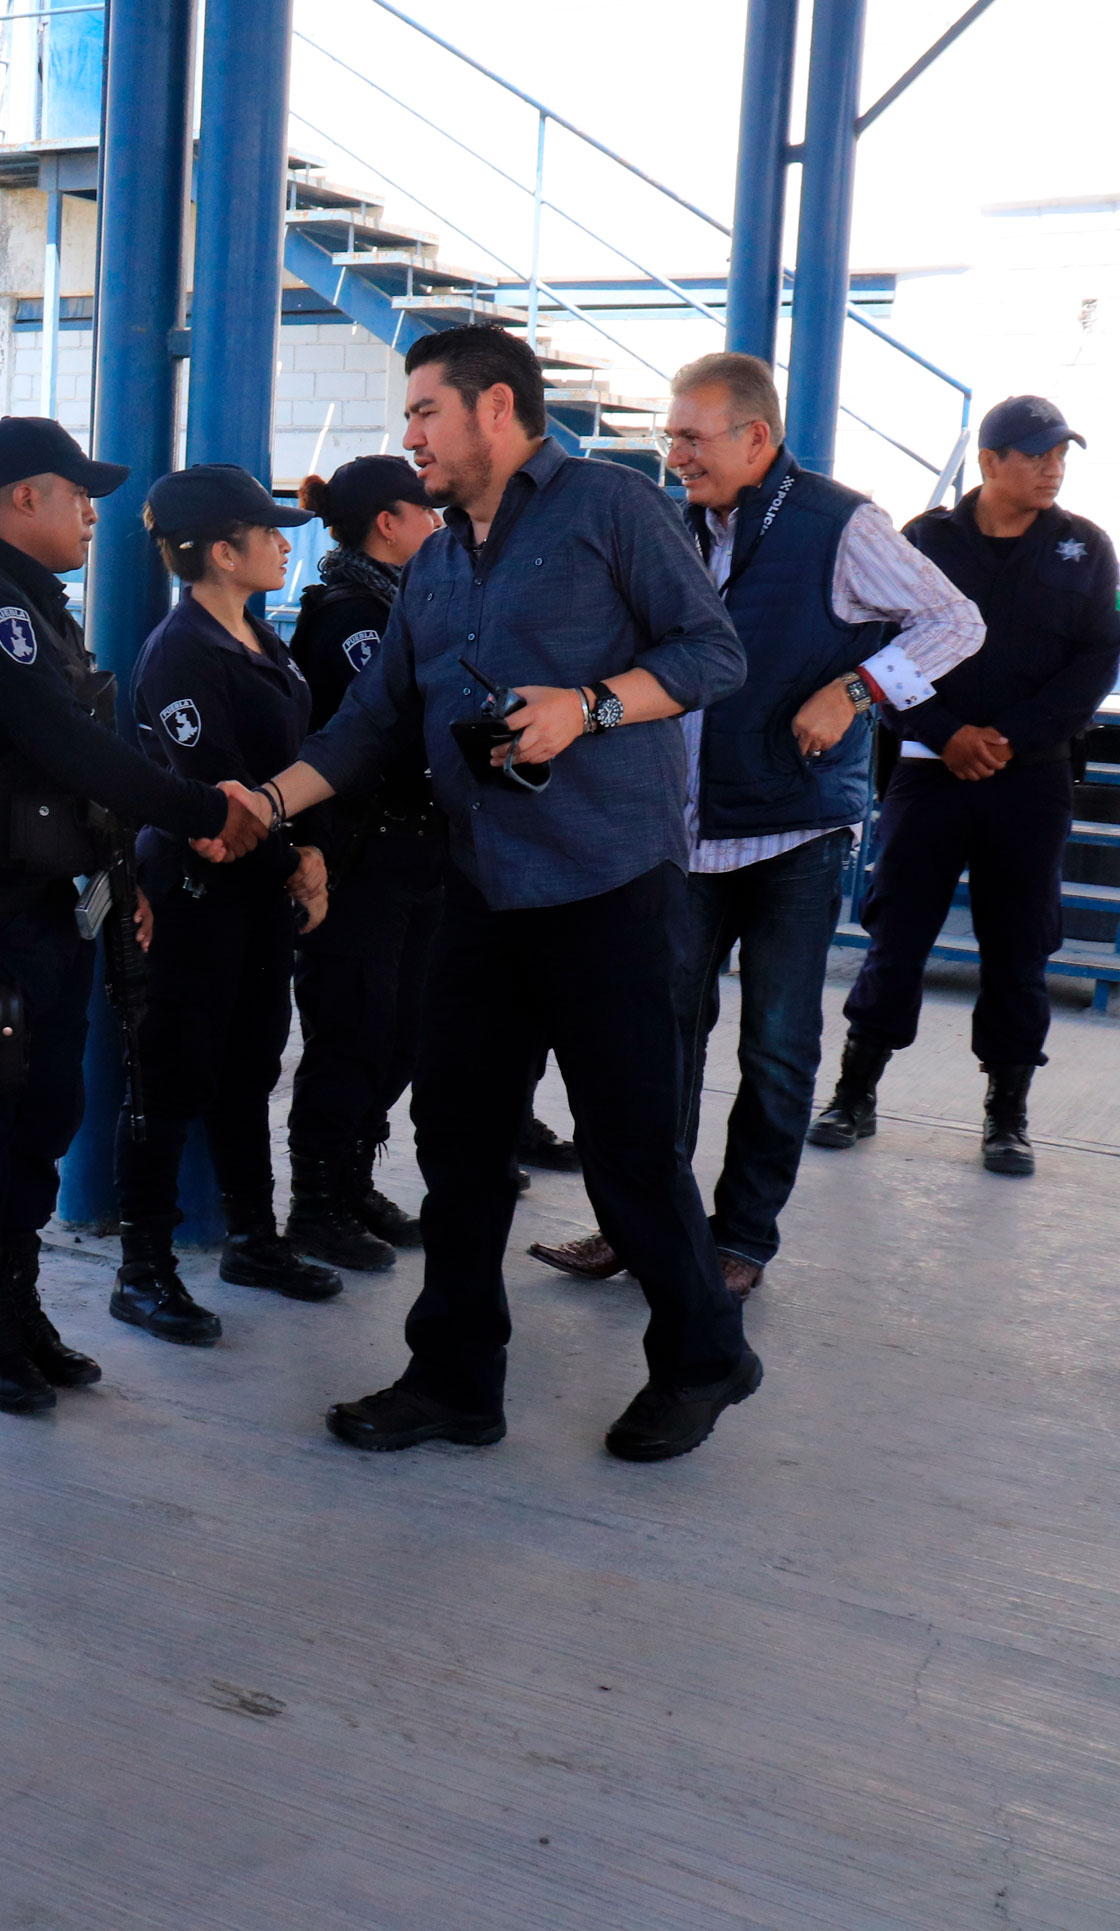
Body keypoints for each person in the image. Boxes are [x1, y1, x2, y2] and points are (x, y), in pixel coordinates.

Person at [243, 324, 763, 1463]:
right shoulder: (431, 563)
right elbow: (372, 719)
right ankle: (454, 1380)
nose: (408, 433)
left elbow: (711, 652)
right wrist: (267, 802)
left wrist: (592, 704)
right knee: (457, 1141)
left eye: (424, 409)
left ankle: (702, 1354)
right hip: (481, 887)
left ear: (494, 409)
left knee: (629, 1152)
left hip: (606, 885)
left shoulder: (610, 508)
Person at [529, 352, 982, 1294]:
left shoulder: (839, 523)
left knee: (776, 1048)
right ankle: (643, 1228)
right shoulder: (667, 522)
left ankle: (740, 1242)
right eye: (671, 435)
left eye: (692, 437)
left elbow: (955, 621)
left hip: (791, 833)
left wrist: (857, 688)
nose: (676, 453)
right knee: (656, 1043)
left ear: (756, 438)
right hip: (680, 831)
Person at [0, 417, 270, 1409]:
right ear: (25, 497)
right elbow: (69, 746)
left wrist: (122, 882)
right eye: (76, 494)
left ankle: (17, 1310)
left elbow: (79, 785)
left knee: (42, 1116)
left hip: (45, 912)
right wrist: (201, 811)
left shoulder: (37, 612)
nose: (92, 514)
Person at [811, 395, 1118, 1176]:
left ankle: (1007, 1113)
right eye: (1037, 454)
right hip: (928, 773)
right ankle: (855, 1091)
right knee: (897, 936)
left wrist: (1006, 737)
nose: (1053, 469)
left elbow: (1095, 661)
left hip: (1031, 777)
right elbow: (881, 645)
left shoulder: (1085, 546)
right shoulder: (925, 540)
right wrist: (946, 732)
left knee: (1020, 946)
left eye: (1060, 455)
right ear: (989, 462)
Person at [126, 465, 339, 1313]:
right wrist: (298, 865)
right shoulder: (181, 652)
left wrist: (310, 850)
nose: (286, 542)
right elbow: (218, 799)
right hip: (195, 896)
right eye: (268, 531)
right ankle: (143, 1267)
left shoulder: (259, 637)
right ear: (222, 551)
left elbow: (298, 760)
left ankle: (255, 1239)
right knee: (171, 1076)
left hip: (259, 898)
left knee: (250, 1065)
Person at [281, 454, 446, 1272]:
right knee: (352, 1032)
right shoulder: (350, 617)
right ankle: (317, 1201)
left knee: (402, 1035)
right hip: (360, 859)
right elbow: (390, 730)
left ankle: (350, 1180)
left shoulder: (406, 605)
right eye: (428, 513)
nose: (440, 527)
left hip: (417, 856)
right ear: (390, 522)